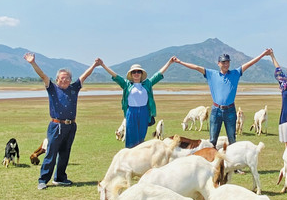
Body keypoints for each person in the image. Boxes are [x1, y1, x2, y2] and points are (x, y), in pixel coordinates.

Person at [25, 52, 97, 189]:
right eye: (61, 78)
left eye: (67, 78)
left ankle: (60, 178)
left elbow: (85, 76)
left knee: (65, 153)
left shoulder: (74, 88)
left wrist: (94, 64)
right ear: (57, 79)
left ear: (70, 80)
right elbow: (42, 75)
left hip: (71, 126)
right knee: (51, 153)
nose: (64, 80)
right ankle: (43, 180)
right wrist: (33, 63)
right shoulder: (52, 88)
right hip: (56, 125)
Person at [173, 49, 271, 146]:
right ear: (219, 63)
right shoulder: (211, 74)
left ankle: (233, 161)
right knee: (212, 140)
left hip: (230, 111)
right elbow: (196, 67)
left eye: (228, 62)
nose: (226, 64)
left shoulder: (235, 73)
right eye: (224, 62)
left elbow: (249, 63)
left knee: (232, 140)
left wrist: (263, 54)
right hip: (216, 111)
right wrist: (180, 62)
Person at [95, 57, 175, 148]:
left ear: (141, 74)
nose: (136, 73)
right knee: (131, 136)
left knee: (141, 137)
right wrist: (103, 65)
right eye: (134, 72)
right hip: (131, 112)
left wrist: (169, 62)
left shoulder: (147, 84)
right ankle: (129, 156)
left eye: (138, 72)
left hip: (144, 112)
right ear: (131, 74)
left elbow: (158, 75)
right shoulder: (126, 84)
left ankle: (139, 157)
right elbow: (115, 76)